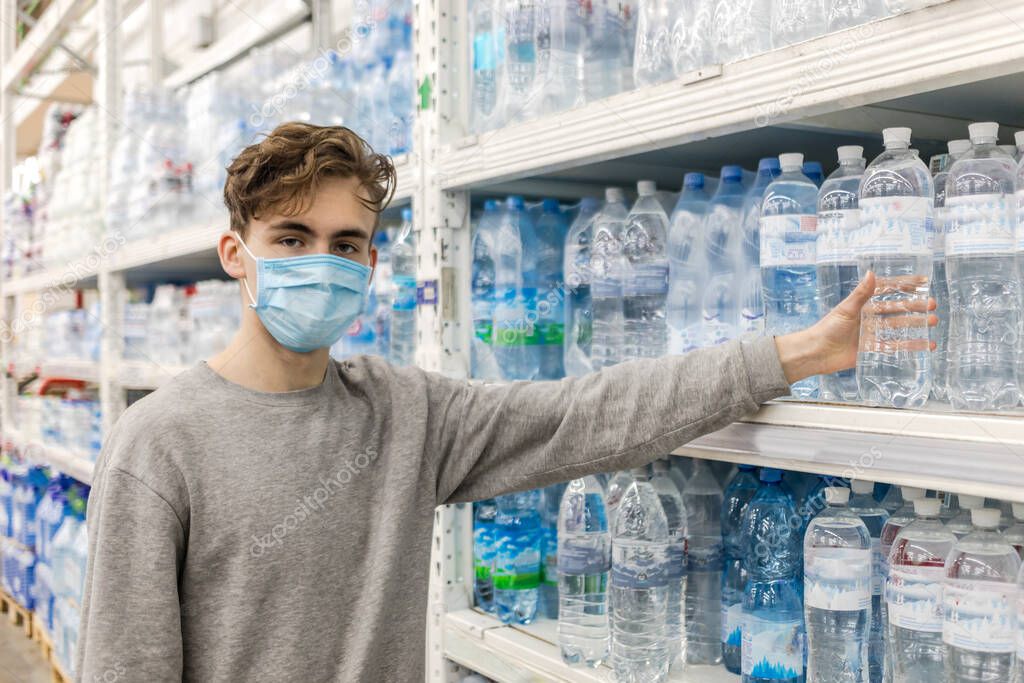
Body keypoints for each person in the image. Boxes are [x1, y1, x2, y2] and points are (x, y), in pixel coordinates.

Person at [76, 123, 934, 681]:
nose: (321, 262)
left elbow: (591, 414)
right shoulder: (158, 444)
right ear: (236, 252)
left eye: (346, 244)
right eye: (291, 240)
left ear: (372, 265)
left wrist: (798, 353)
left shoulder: (405, 414)